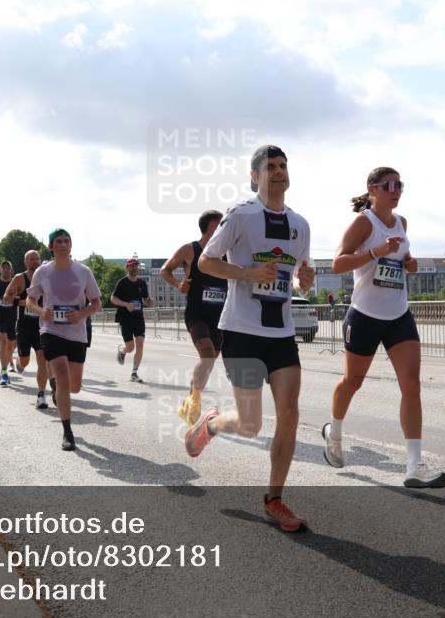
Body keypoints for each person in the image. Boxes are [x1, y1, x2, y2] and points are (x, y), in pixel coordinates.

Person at [183, 145, 314, 532]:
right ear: (254, 176)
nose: (278, 172)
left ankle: (275, 499)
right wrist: (245, 273)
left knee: (290, 414)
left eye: (283, 166)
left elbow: (298, 273)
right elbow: (206, 261)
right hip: (240, 330)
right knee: (251, 424)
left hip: (282, 333)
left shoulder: (301, 224)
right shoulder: (241, 215)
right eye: (270, 167)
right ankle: (209, 425)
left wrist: (304, 279)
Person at [326, 166, 445, 489]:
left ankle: (414, 464)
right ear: (372, 189)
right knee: (353, 381)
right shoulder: (364, 222)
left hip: (398, 316)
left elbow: (403, 259)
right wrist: (375, 251)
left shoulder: (402, 223)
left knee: (411, 384)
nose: (396, 190)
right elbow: (338, 263)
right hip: (364, 315)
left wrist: (409, 263)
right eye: (389, 185)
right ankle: (334, 431)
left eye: (400, 185)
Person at [26, 228, 101, 450]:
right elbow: (30, 301)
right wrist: (41, 312)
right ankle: (67, 432)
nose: (63, 244)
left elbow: (96, 303)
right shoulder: (43, 272)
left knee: (74, 386)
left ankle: (58, 389)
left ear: (71, 245)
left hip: (77, 332)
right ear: (51, 246)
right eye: (58, 241)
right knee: (61, 373)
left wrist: (81, 314)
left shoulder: (83, 271)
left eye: (66, 241)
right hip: (51, 330)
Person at [160, 210, 226, 425]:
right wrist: (179, 284)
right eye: (222, 225)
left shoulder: (227, 253)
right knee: (206, 354)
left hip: (219, 317)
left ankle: (188, 403)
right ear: (212, 226)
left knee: (208, 362)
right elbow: (165, 270)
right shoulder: (190, 249)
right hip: (197, 314)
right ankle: (195, 404)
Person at [5, 250, 50, 407]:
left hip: (41, 325)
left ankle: (41, 395)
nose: (35, 261)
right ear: (26, 262)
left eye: (37, 258)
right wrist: (23, 303)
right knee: (25, 361)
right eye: (32, 259)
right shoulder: (19, 278)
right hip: (24, 325)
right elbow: (6, 297)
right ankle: (19, 362)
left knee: (42, 360)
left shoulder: (47, 277)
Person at [112, 258, 154, 382]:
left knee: (140, 344)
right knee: (131, 348)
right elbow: (113, 299)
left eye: (136, 266)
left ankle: (134, 373)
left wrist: (150, 301)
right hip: (125, 318)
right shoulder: (122, 283)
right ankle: (123, 350)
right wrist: (126, 304)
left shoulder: (142, 283)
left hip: (138, 318)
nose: (134, 268)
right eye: (131, 266)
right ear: (127, 268)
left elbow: (146, 299)